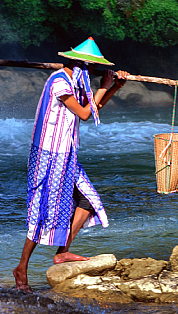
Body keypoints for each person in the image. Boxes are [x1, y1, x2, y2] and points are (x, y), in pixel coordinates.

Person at [13, 38, 128, 292]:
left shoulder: (76, 82)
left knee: (88, 200)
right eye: (94, 69)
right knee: (42, 209)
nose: (96, 73)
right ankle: (21, 268)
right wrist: (104, 86)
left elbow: (92, 109)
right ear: (81, 66)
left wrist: (114, 88)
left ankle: (63, 251)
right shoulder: (59, 83)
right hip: (49, 155)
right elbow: (85, 114)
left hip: (66, 155)